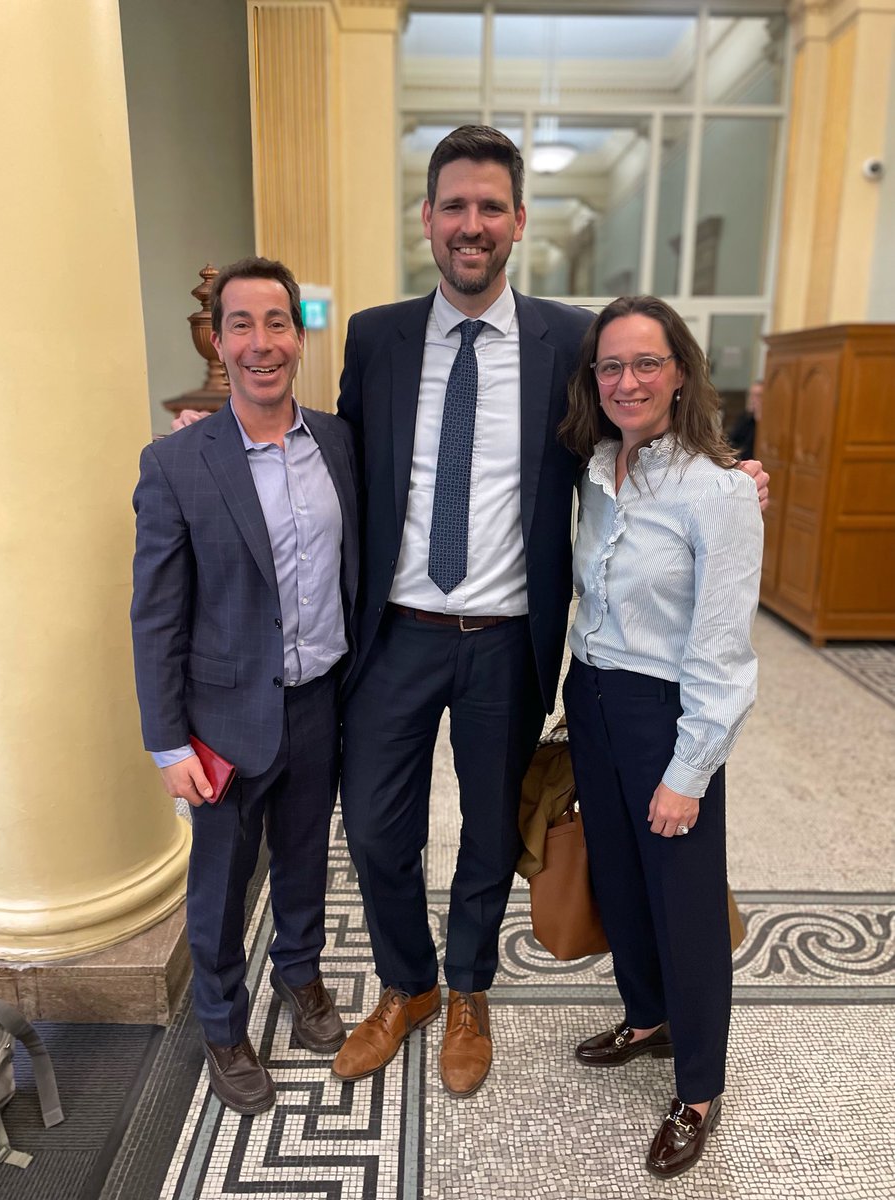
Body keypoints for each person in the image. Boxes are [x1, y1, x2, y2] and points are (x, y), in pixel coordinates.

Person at [330, 126, 769, 1100]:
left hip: (505, 645)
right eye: (455, 206)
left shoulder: (572, 337)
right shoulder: (375, 335)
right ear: (429, 218)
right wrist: (238, 432)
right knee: (372, 828)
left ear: (518, 221)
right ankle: (408, 985)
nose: (472, 224)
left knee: (491, 830)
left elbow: (639, 429)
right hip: (395, 634)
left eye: (492, 207)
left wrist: (732, 477)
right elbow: (342, 458)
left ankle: (472, 988)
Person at [131, 257, 360, 1114]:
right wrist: (166, 740)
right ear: (217, 339)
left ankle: (299, 979)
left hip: (318, 702)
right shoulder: (177, 463)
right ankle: (223, 1028)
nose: (261, 344)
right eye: (242, 325)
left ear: (298, 336)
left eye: (277, 323)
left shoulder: (338, 442)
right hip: (221, 720)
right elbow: (156, 615)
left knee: (306, 862)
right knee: (221, 885)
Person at [559, 295, 763, 1177]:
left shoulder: (717, 493)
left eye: (647, 363)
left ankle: (699, 1087)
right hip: (593, 701)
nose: (628, 380)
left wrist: (691, 767)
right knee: (619, 877)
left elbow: (722, 648)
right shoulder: (596, 468)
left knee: (683, 898)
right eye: (612, 365)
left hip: (667, 714)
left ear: (680, 371)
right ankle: (645, 1017)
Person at [727, 378, 763, 460]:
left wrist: (759, 421)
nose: (753, 399)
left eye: (758, 396)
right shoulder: (745, 417)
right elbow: (733, 440)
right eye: (752, 395)